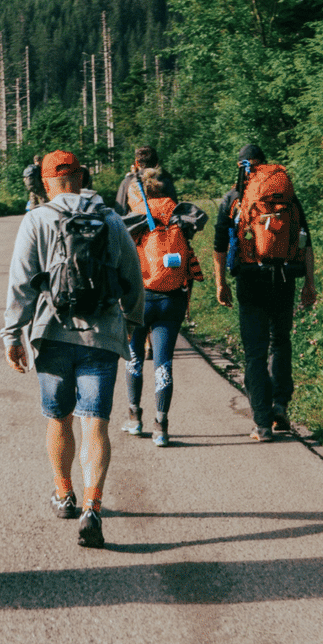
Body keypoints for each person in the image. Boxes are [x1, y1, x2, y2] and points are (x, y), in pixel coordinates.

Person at [2, 149, 142, 549]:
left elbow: (22, 282)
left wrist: (12, 334)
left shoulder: (37, 219)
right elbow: (132, 278)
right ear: (82, 176)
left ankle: (64, 494)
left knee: (58, 417)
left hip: (53, 334)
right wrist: (132, 325)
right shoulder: (111, 220)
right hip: (102, 336)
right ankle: (93, 507)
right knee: (94, 421)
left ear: (46, 183)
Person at [212, 143, 318, 442]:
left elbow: (220, 246)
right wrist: (309, 283)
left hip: (250, 278)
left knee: (255, 352)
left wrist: (221, 282)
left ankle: (261, 423)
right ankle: (280, 405)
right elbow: (305, 240)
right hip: (285, 276)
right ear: (264, 165)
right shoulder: (286, 195)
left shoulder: (234, 198)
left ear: (241, 165)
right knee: (280, 341)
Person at [122, 167, 204, 448]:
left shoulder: (137, 214)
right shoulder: (178, 213)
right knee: (163, 362)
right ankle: (162, 425)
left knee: (133, 358)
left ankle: (134, 417)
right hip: (172, 298)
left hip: (141, 299)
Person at [114, 144, 178, 217]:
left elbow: (119, 212)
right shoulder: (166, 180)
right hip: (165, 226)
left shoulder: (128, 182)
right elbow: (176, 210)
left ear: (137, 162)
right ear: (156, 164)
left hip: (138, 226)